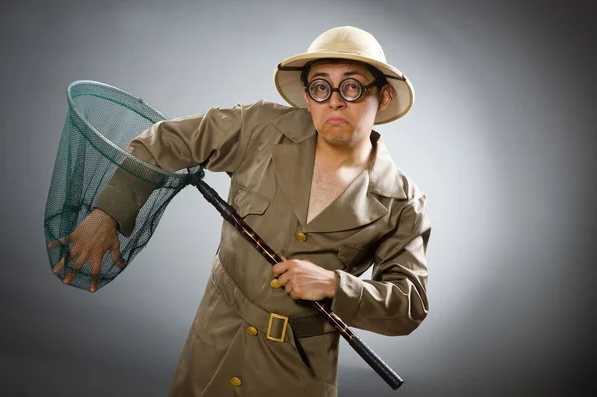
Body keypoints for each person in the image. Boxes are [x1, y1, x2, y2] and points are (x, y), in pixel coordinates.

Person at [48, 26, 431, 396]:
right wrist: (108, 214)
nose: (334, 100)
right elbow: (164, 142)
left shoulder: (404, 202)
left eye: (351, 86)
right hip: (215, 340)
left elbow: (409, 305)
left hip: (299, 370)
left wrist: (335, 284)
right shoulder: (259, 126)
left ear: (381, 98)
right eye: (320, 87)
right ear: (307, 95)